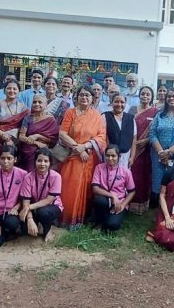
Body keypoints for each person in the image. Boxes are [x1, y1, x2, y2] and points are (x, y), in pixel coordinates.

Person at [58, 85, 107, 229]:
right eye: (81, 95)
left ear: (92, 98)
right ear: (77, 97)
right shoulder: (70, 112)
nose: (84, 97)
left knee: (86, 188)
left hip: (89, 158)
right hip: (72, 156)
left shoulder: (97, 116)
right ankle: (66, 218)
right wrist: (77, 148)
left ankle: (82, 218)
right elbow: (62, 133)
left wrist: (85, 147)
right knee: (69, 187)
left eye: (87, 95)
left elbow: (102, 137)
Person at [0, 144, 27, 247]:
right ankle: (1, 230)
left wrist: (16, 207)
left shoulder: (23, 174)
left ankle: (11, 231)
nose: (5, 161)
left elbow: (25, 196)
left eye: (9, 158)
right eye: (3, 158)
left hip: (12, 212)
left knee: (12, 223)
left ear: (15, 159)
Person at [19, 148, 63, 240]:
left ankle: (48, 229)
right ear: (35, 162)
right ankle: (39, 223)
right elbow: (26, 201)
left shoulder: (56, 177)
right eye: (39, 160)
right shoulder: (28, 177)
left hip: (52, 206)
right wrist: (30, 219)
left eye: (46, 161)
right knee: (24, 228)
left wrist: (28, 208)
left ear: (50, 163)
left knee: (43, 213)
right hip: (33, 207)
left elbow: (49, 200)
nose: (42, 164)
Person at [0, 80, 28, 171]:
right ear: (4, 91)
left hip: (15, 142)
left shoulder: (23, 107)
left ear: (19, 91)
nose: (12, 91)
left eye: (14, 89)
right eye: (9, 88)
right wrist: (6, 138)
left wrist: (13, 138)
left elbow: (25, 126)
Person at [91, 145, 136, 232]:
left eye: (113, 156)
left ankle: (107, 219)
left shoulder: (126, 172)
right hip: (104, 200)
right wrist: (112, 196)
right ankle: (99, 222)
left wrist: (123, 205)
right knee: (99, 201)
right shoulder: (99, 168)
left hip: (119, 202)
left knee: (112, 225)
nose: (110, 158)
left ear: (119, 157)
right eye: (107, 155)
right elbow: (95, 188)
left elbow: (132, 192)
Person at [128, 85, 157, 213]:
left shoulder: (156, 112)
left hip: (146, 150)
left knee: (144, 176)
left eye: (148, 94)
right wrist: (133, 142)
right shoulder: (133, 109)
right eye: (143, 94)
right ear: (139, 96)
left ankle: (141, 205)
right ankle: (129, 203)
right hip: (132, 147)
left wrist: (146, 141)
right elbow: (127, 126)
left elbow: (156, 130)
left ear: (151, 97)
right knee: (132, 174)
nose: (145, 96)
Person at [17, 93, 60, 170]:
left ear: (45, 105)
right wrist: (36, 143)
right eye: (34, 102)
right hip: (28, 151)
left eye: (40, 102)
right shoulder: (28, 118)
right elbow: (21, 136)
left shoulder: (50, 119)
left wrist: (38, 136)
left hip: (44, 152)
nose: (37, 104)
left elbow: (53, 140)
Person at [103, 93, 136, 167]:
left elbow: (134, 139)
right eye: (116, 101)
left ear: (125, 103)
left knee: (123, 177)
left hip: (126, 157)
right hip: (110, 157)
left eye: (122, 102)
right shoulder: (105, 116)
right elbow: (103, 137)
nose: (119, 104)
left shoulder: (130, 118)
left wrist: (132, 157)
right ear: (111, 103)